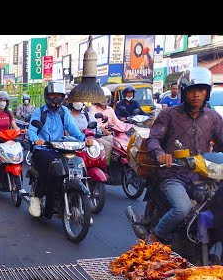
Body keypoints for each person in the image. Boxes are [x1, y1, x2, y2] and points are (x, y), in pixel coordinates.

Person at [145, 66, 223, 243]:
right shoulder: (169, 114)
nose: (196, 94)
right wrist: (160, 155)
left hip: (203, 175)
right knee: (182, 208)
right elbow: (153, 139)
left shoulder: (213, 117)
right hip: (173, 174)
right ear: (183, 92)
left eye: (201, 90)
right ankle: (155, 236)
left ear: (207, 92)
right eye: (192, 90)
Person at [27, 81, 93, 219]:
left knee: (76, 163)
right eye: (52, 95)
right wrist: (36, 139)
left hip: (60, 148)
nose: (55, 98)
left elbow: (73, 129)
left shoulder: (64, 112)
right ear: (47, 96)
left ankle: (75, 201)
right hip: (42, 148)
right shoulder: (38, 112)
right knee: (51, 164)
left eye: (58, 95)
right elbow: (32, 130)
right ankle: (37, 198)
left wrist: (84, 140)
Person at [88, 86, 131, 164]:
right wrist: (103, 129)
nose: (104, 100)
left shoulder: (110, 109)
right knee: (109, 145)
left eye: (106, 98)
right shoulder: (93, 109)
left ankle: (115, 164)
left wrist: (128, 125)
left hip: (110, 133)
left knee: (119, 144)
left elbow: (117, 122)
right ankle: (105, 165)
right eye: (102, 98)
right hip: (98, 134)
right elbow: (94, 123)